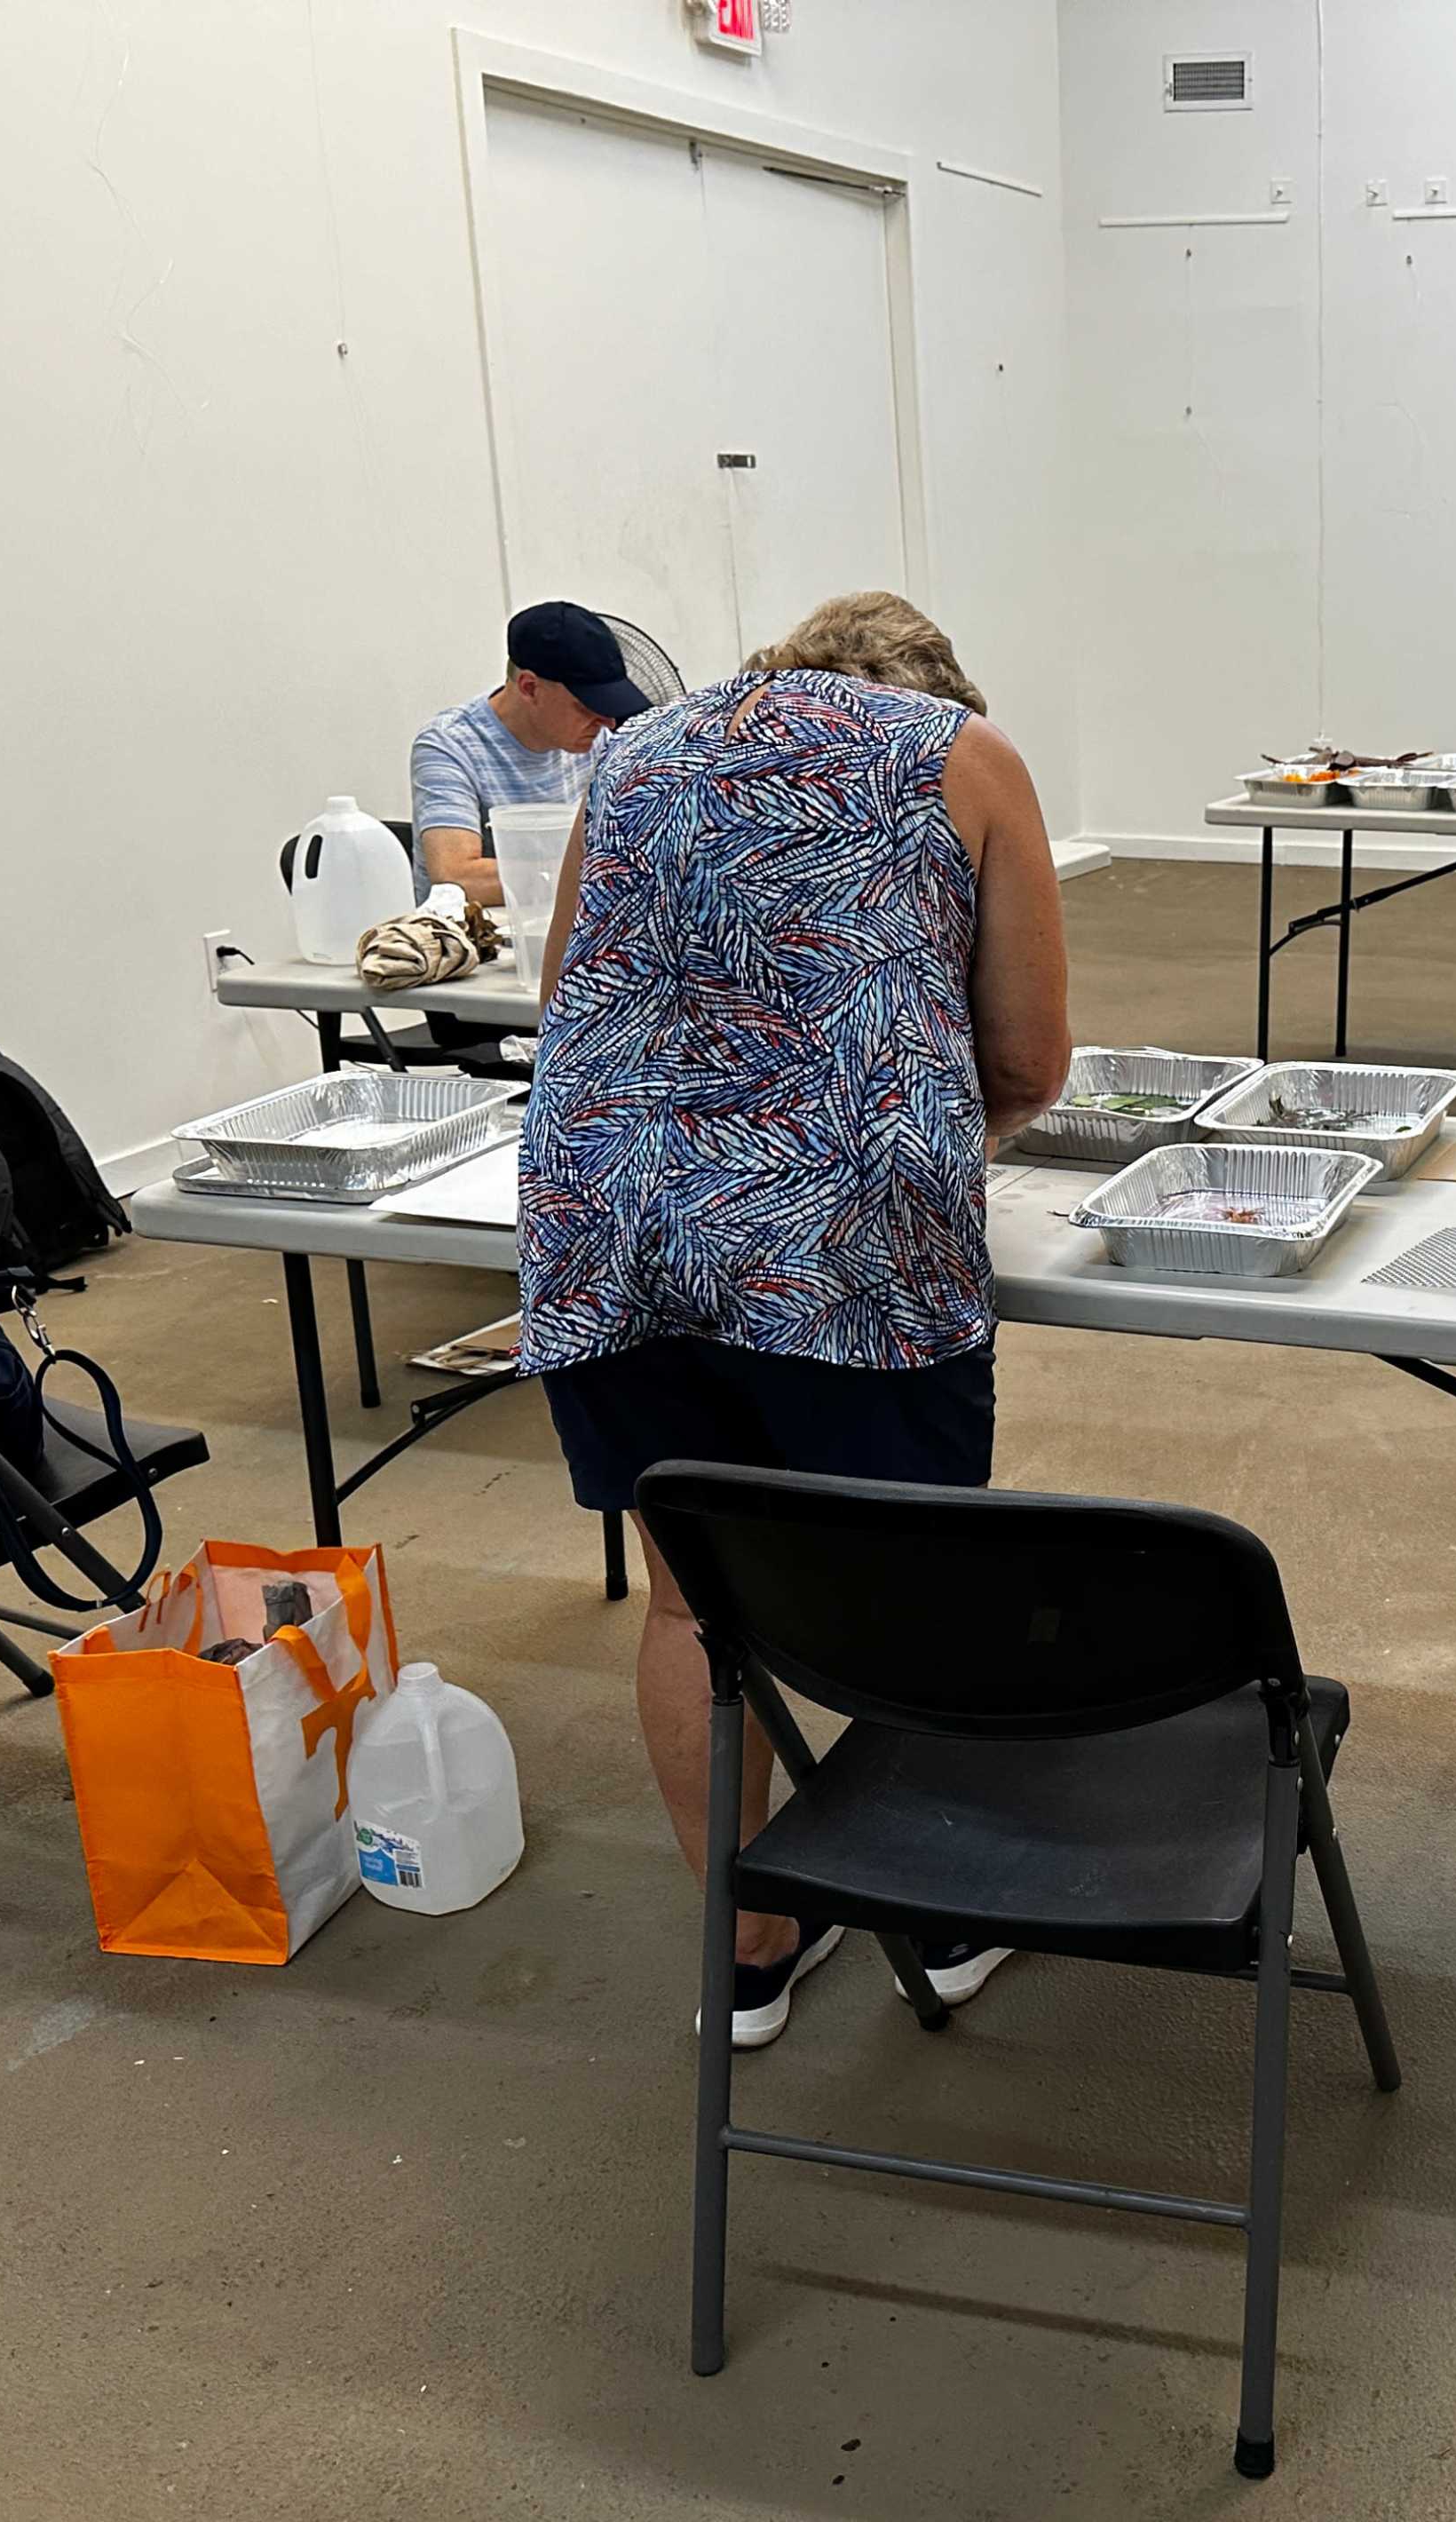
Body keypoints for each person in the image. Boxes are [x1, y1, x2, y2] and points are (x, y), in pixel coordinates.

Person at [516, 591, 1072, 2047]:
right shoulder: (966, 755)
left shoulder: (632, 758)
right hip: (851, 1250)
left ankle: (754, 1956)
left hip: (615, 1227)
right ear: (937, 685)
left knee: (693, 1599)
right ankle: (946, 1925)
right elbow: (1025, 1049)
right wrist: (932, 1138)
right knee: (911, 1591)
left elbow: (564, 991)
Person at [406, 601, 652, 901]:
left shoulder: (597, 737)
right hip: (485, 941)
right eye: (589, 707)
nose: (608, 722)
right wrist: (602, 871)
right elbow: (457, 877)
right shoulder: (449, 745)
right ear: (529, 687)